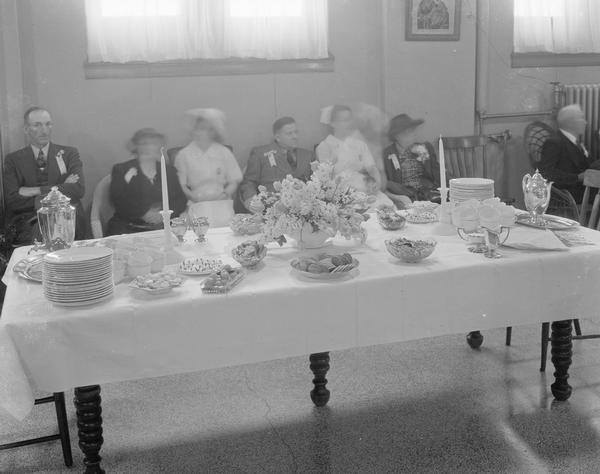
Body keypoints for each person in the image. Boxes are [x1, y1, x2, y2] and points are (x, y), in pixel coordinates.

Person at [3, 107, 86, 244]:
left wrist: (36, 191)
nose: (44, 130)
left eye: (48, 124)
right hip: (30, 219)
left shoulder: (69, 154)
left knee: (62, 231)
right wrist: (61, 186)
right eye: (37, 125)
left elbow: (78, 189)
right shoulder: (13, 160)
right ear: (26, 129)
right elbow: (13, 201)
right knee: (40, 234)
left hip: (65, 217)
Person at [107, 128, 186, 236]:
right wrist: (143, 213)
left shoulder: (169, 170)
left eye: (152, 144)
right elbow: (117, 199)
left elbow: (180, 199)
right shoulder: (121, 169)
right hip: (128, 227)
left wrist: (163, 214)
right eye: (143, 144)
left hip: (163, 227)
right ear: (135, 147)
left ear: (159, 147)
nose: (147, 148)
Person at [174, 109, 242, 227]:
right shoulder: (183, 155)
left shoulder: (223, 152)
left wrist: (224, 195)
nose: (204, 132)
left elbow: (234, 180)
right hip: (197, 202)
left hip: (221, 201)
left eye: (209, 129)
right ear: (193, 130)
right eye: (200, 128)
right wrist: (194, 197)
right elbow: (182, 185)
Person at [316, 105, 393, 207]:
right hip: (340, 192)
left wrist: (376, 182)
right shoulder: (325, 146)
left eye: (349, 119)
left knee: (386, 207)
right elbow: (325, 178)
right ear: (333, 123)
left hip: (364, 187)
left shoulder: (359, 144)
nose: (348, 123)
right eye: (343, 120)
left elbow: (371, 167)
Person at [237, 117, 315, 213]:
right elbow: (248, 182)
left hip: (303, 211)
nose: (295, 136)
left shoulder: (308, 155)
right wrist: (251, 200)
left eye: (296, 132)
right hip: (271, 210)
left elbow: (316, 182)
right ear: (277, 137)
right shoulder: (260, 153)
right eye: (289, 133)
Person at [539, 104, 600, 202]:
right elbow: (545, 174)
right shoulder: (554, 142)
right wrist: (577, 178)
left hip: (587, 187)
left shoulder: (575, 141)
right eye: (582, 119)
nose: (586, 123)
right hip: (572, 193)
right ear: (571, 123)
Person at [382, 114, 440, 206]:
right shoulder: (388, 153)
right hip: (405, 195)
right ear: (396, 136)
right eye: (407, 132)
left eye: (412, 131)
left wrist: (453, 187)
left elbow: (437, 171)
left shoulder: (423, 148)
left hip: (427, 193)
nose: (413, 135)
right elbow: (384, 182)